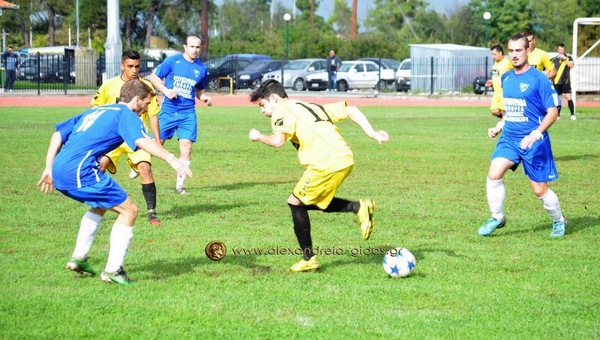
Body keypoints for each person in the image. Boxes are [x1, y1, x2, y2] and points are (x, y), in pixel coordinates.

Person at [36, 79, 192, 287]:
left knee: (100, 205)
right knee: (130, 211)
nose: (145, 109)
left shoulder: (96, 111)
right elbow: (142, 141)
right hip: (80, 171)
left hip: (59, 168)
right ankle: (113, 270)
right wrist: (171, 159)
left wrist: (48, 167)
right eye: (146, 104)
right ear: (137, 100)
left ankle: (79, 258)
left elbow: (58, 134)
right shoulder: (126, 114)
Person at [248, 79, 390, 272]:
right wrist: (372, 133)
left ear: (274, 98)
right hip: (344, 158)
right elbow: (351, 110)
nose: (262, 111)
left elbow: (278, 141)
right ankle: (358, 207)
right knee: (306, 201)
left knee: (295, 202)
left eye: (262, 105)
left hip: (325, 163)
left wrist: (259, 137)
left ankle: (309, 259)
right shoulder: (309, 105)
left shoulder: (282, 110)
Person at [478, 33, 567, 238]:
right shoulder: (506, 77)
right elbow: (511, 109)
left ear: (528, 50)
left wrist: (535, 135)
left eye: (519, 50)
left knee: (539, 190)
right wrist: (499, 125)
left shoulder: (539, 79)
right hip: (509, 138)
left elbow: (553, 112)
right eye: (511, 51)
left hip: (533, 141)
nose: (514, 55)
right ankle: (497, 217)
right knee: (494, 174)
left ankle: (559, 220)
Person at [92, 49, 163, 226]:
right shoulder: (109, 85)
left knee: (145, 168)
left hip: (137, 136)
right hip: (113, 137)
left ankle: (152, 213)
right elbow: (95, 108)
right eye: (130, 66)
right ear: (122, 65)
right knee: (100, 166)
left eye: (137, 66)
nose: (134, 70)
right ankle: (95, 205)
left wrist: (158, 141)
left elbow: (153, 115)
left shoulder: (146, 87)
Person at [149, 35, 212, 195]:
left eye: (198, 47)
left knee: (187, 148)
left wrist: (204, 98)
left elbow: (199, 90)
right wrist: (166, 91)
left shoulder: (201, 69)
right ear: (185, 47)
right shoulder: (173, 61)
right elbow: (153, 77)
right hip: (169, 111)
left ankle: (179, 186)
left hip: (188, 113)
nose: (195, 50)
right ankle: (138, 164)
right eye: (192, 46)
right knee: (157, 144)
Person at [485, 45, 513, 118]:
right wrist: (492, 82)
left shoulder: (507, 63)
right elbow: (497, 76)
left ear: (500, 53)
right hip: (496, 93)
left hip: (504, 92)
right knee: (494, 111)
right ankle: (508, 120)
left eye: (494, 54)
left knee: (504, 111)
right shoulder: (496, 63)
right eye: (492, 55)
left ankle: (505, 123)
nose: (493, 56)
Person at [551, 43, 576, 120]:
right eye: (560, 50)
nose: (561, 51)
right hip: (556, 82)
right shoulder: (553, 59)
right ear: (557, 50)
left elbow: (571, 66)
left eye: (563, 50)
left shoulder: (569, 58)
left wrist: (566, 60)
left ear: (565, 50)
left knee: (569, 97)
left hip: (566, 82)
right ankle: (557, 115)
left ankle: (572, 114)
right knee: (557, 99)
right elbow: (549, 69)